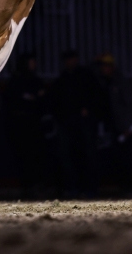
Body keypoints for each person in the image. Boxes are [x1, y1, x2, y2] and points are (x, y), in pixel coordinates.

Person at [52, 49, 100, 197]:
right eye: (67, 59)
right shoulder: (63, 78)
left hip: (84, 123)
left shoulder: (85, 76)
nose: (69, 62)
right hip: (68, 123)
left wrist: (88, 110)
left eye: (71, 59)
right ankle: (73, 188)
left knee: (87, 155)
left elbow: (95, 96)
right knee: (69, 156)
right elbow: (57, 101)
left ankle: (89, 189)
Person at [95, 53, 132, 193]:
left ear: (112, 67)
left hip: (124, 128)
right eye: (102, 66)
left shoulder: (120, 82)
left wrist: (128, 127)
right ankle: (125, 186)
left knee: (127, 157)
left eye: (106, 66)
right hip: (113, 126)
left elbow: (129, 105)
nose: (103, 69)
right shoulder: (105, 82)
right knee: (117, 158)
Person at [5, 53, 46, 195]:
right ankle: (27, 184)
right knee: (23, 155)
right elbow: (12, 101)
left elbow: (41, 99)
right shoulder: (16, 80)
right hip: (20, 125)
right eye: (31, 61)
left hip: (34, 123)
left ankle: (36, 183)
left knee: (36, 154)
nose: (33, 64)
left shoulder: (35, 79)